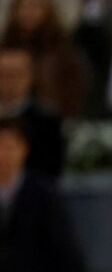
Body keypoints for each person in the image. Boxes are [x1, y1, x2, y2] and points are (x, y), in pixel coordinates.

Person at [0, 117, 82, 272]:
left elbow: (68, 255)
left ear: (24, 149)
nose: (3, 155)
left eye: (9, 147)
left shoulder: (44, 194)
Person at [1, 0, 85, 117]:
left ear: (48, 10)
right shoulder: (5, 47)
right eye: (24, 6)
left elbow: (72, 93)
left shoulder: (63, 51)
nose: (29, 12)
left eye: (35, 6)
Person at [0, 47, 64, 179]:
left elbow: (52, 169)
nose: (10, 81)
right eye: (4, 74)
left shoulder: (46, 119)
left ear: (30, 76)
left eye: (16, 74)